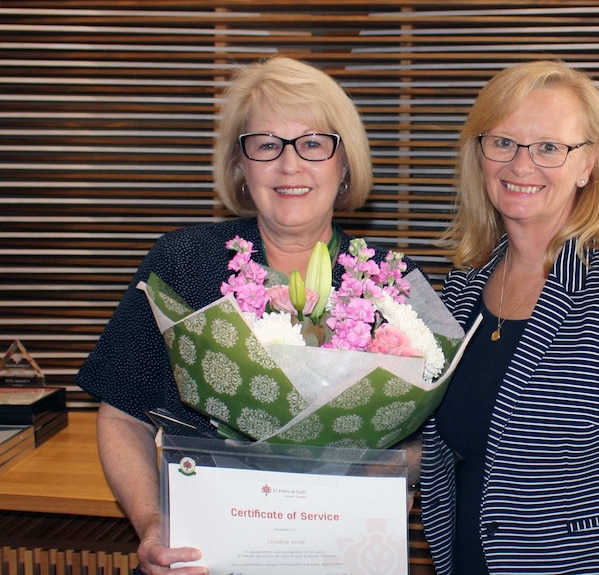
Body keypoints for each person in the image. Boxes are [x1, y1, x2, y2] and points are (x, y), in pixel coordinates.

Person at [75, 55, 419, 575]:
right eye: (266, 145)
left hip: (337, 554)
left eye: (313, 143)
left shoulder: (389, 285)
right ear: (240, 164)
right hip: (202, 559)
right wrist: (151, 523)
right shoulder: (182, 265)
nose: (290, 165)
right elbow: (123, 415)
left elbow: (419, 437)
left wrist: (392, 485)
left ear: (344, 162)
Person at [420, 60, 599, 574]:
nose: (521, 165)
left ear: (588, 164)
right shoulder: (462, 288)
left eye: (549, 147)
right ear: (480, 154)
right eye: (503, 142)